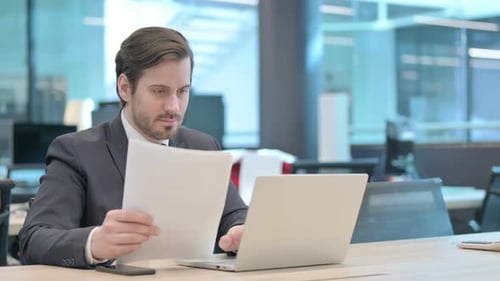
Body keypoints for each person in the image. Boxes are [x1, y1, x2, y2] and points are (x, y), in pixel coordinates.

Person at [18, 26, 248, 268]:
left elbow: (235, 214)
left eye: (182, 91)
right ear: (125, 88)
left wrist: (239, 231)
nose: (174, 106)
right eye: (159, 91)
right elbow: (34, 240)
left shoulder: (203, 146)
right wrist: (94, 242)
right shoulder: (76, 151)